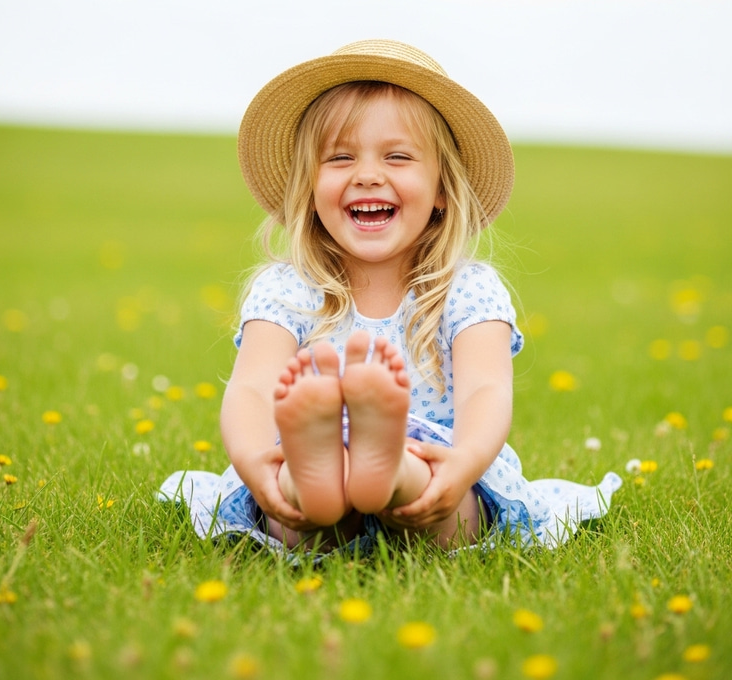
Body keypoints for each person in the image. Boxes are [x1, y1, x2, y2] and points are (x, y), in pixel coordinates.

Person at [159, 39, 621, 554]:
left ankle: (387, 464)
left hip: (436, 473)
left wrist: (464, 462)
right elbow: (251, 390)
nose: (368, 174)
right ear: (309, 188)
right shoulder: (287, 288)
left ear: (444, 188)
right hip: (309, 474)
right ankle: (315, 472)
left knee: (435, 498)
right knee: (296, 508)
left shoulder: (466, 289)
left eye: (397, 156)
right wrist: (254, 463)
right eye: (340, 157)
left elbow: (484, 391)